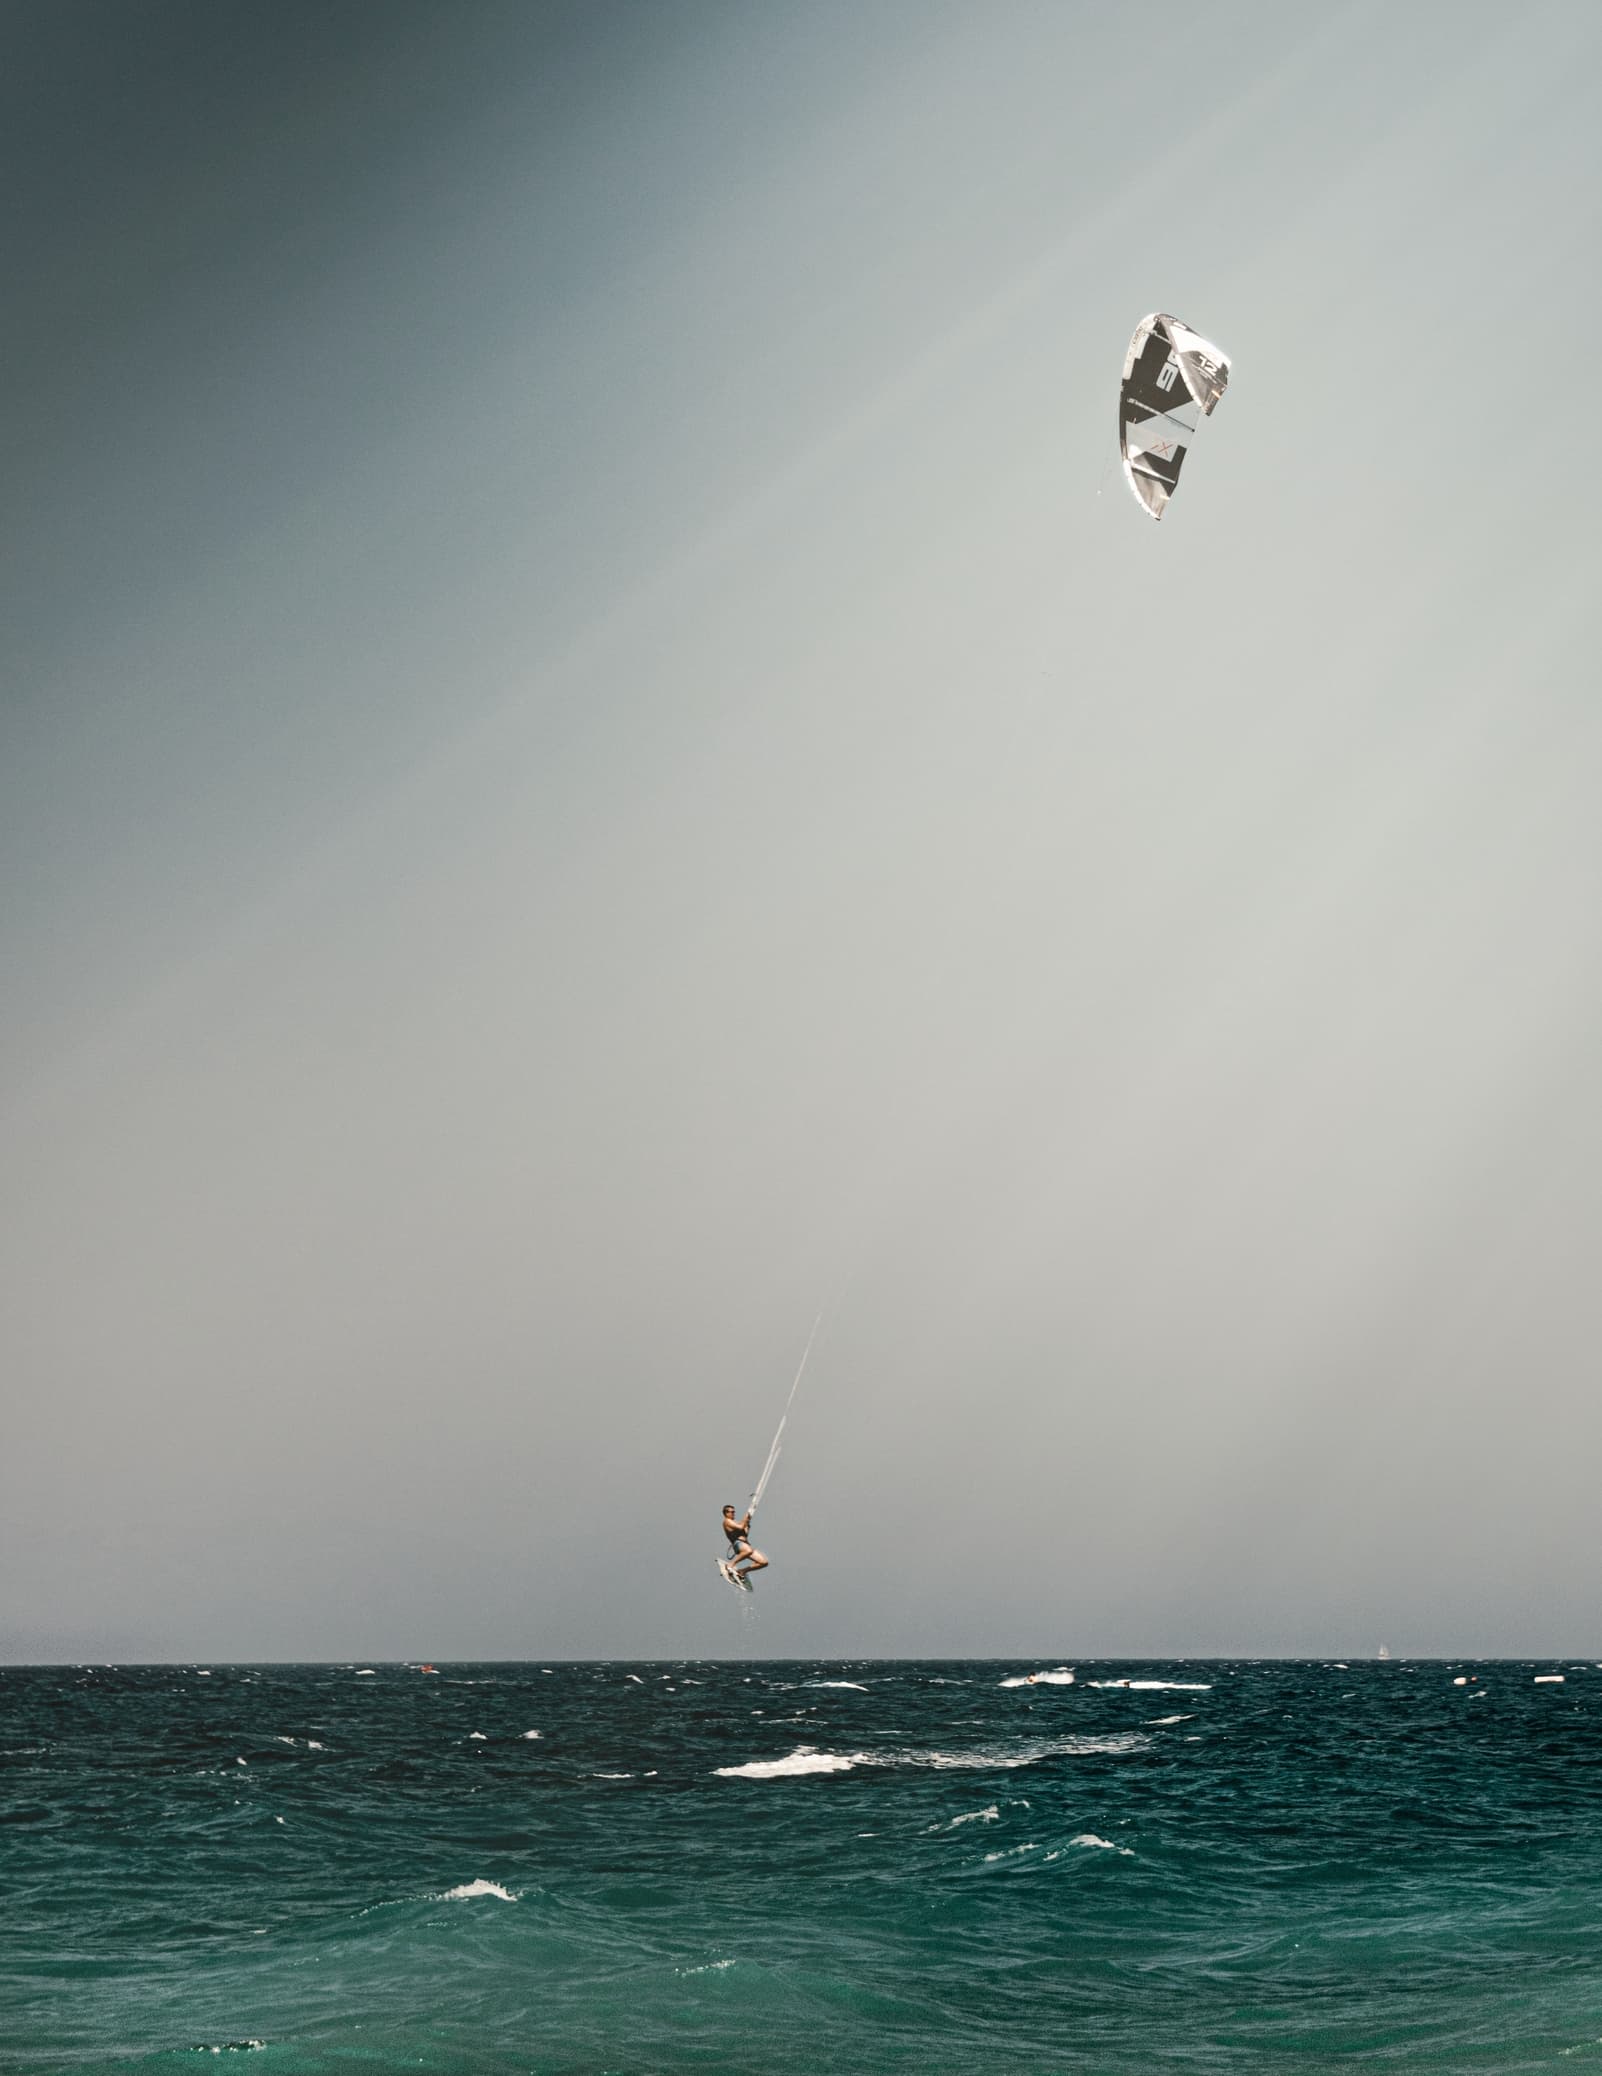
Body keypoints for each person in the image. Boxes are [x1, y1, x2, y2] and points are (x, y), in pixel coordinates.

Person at [721, 1504, 769, 1586]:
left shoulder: (734, 1522)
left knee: (764, 1562)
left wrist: (747, 1525)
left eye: (734, 1512)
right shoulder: (727, 1521)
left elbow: (744, 1534)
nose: (733, 1514)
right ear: (726, 1513)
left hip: (745, 1545)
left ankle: (742, 1571)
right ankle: (730, 1565)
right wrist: (745, 1518)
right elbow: (740, 1527)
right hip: (738, 1544)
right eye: (731, 1512)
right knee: (749, 1551)